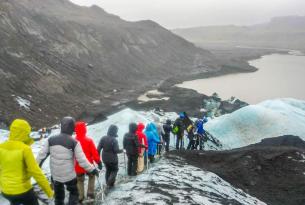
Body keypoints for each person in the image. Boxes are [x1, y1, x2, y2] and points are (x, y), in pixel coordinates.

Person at [37, 116, 98, 205]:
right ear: (72, 128)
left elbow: (41, 156)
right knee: (74, 193)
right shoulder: (74, 142)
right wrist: (92, 169)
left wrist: (36, 167)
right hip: (69, 176)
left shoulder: (50, 140)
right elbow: (82, 161)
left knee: (58, 197)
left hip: (56, 176)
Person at [0, 119, 54, 205]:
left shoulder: (1, 147)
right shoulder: (25, 149)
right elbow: (36, 172)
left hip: (5, 191)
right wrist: (49, 192)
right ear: (24, 133)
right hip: (22, 191)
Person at [74, 121, 103, 203]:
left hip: (77, 166)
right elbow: (94, 153)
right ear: (84, 129)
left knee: (79, 180)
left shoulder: (73, 141)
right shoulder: (89, 140)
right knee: (92, 177)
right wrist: (99, 162)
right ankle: (90, 194)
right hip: (89, 165)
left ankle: (80, 196)